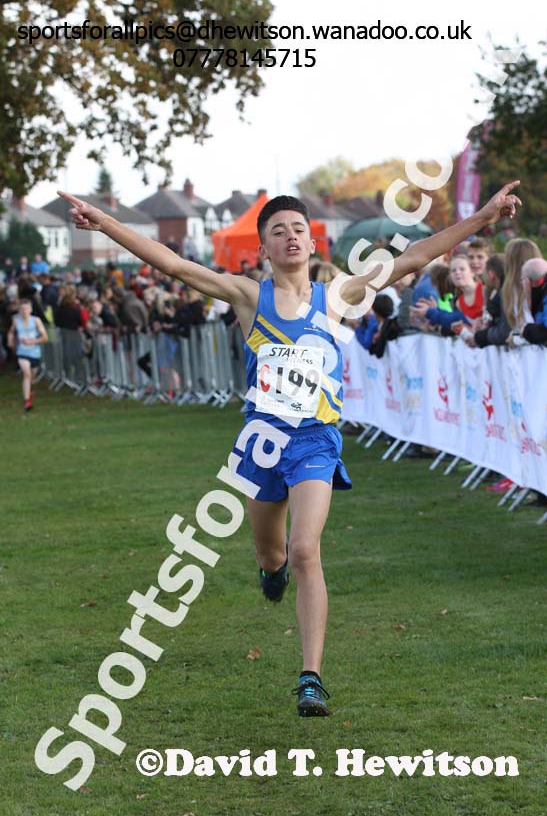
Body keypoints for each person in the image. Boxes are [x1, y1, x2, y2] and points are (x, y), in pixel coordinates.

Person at [58, 182, 522, 717]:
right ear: (264, 249)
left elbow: (415, 255)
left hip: (315, 441)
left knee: (306, 551)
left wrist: (485, 215)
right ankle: (269, 570)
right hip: (261, 442)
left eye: (298, 229)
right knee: (272, 554)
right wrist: (105, 224)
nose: (290, 237)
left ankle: (311, 677)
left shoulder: (338, 296)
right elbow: (175, 265)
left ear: (312, 242)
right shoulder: (247, 296)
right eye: (278, 231)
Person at [7, 298, 48, 410]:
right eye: (22, 309)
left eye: (26, 309)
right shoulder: (16, 320)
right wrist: (10, 339)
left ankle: (29, 390)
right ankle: (27, 402)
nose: (24, 311)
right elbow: (11, 332)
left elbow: (45, 337)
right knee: (26, 374)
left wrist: (32, 341)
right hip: (22, 352)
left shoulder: (36, 321)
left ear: (30, 309)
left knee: (32, 377)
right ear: (19, 310)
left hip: (34, 353)